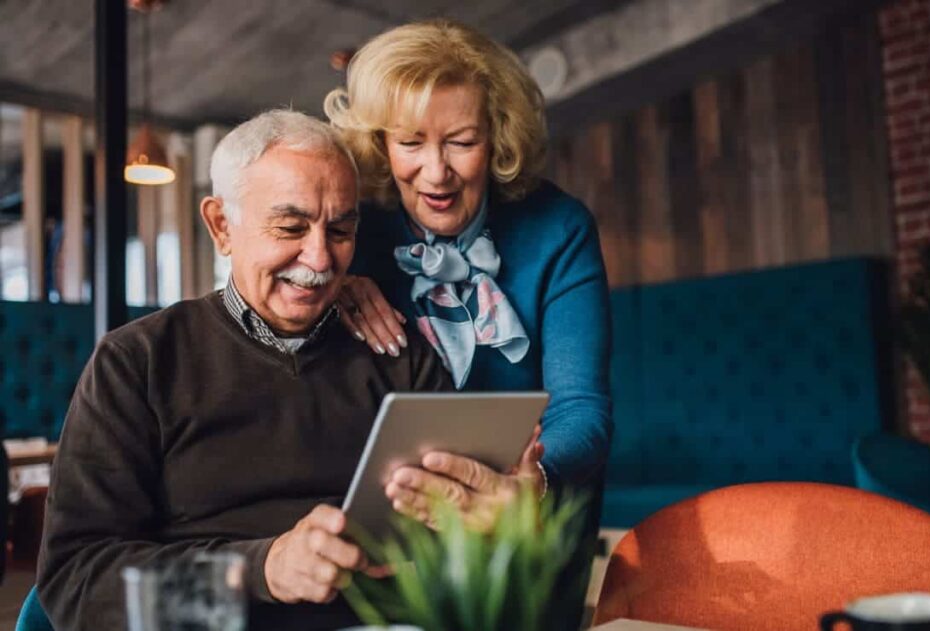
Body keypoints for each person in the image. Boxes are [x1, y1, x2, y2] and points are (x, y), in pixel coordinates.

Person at [36, 110, 460, 631]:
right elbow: (77, 583)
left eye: (341, 230)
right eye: (290, 227)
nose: (320, 258)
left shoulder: (398, 356)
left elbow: (456, 549)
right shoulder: (137, 363)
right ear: (221, 226)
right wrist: (261, 571)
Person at [323, 19, 612, 527]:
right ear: (379, 142)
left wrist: (532, 485)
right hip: (394, 522)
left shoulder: (558, 228)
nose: (436, 173)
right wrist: (332, 284)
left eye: (461, 141)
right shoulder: (350, 234)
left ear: (498, 138)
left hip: (527, 518)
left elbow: (581, 407)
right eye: (410, 143)